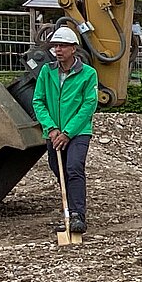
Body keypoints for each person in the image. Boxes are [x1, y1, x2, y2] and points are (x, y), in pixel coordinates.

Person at [33, 26, 99, 234]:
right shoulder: (47, 71)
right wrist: (51, 129)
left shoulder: (88, 74)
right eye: (55, 46)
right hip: (53, 133)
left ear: (73, 49)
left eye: (62, 46)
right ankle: (69, 212)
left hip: (78, 132)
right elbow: (38, 101)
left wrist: (67, 132)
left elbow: (89, 105)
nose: (58, 49)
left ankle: (78, 215)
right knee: (58, 168)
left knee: (73, 167)